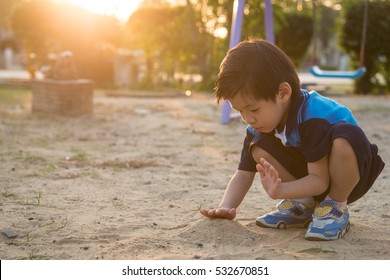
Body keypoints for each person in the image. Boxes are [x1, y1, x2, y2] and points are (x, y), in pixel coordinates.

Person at [199, 39, 385, 241]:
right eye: (239, 111)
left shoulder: (313, 116)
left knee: (344, 139)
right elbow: (243, 174)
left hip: (350, 173)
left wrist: (281, 190)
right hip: (312, 171)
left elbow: (320, 181)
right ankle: (303, 205)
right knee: (258, 148)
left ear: (283, 93)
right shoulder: (259, 124)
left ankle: (335, 206)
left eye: (253, 109)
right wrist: (226, 207)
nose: (247, 119)